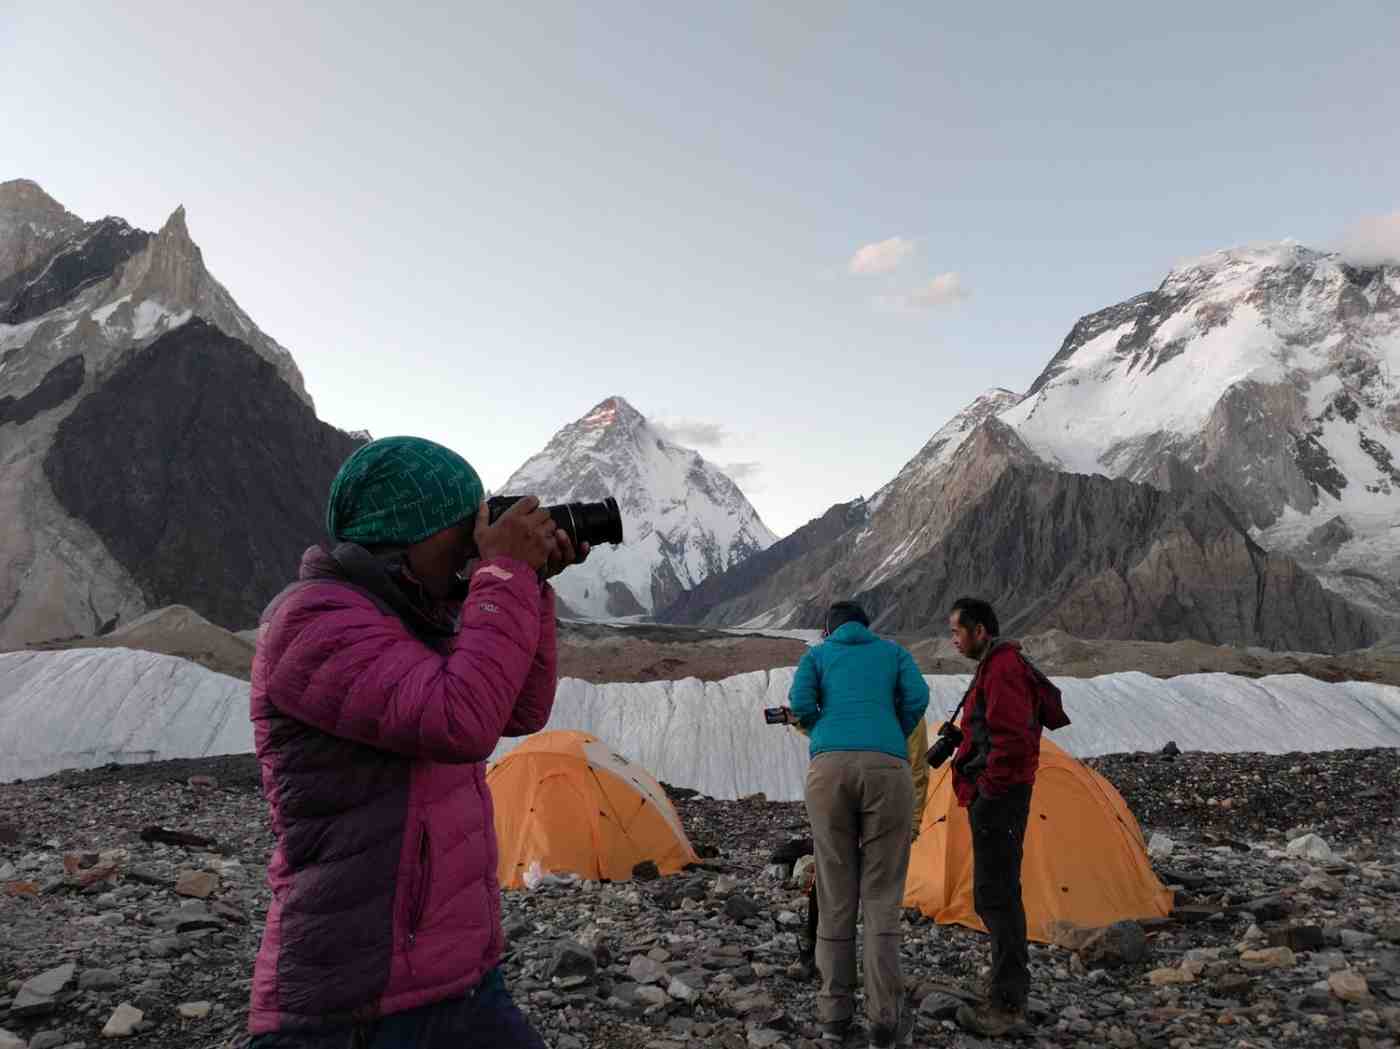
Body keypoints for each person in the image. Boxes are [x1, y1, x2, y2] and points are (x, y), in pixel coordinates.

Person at [245, 436, 586, 1049]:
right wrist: (502, 571)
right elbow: (462, 721)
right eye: (463, 528)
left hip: (458, 976)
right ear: (406, 532)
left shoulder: (412, 616)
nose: (473, 543)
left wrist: (528, 584)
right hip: (354, 998)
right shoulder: (314, 623)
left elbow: (520, 709)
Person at [789, 601, 930, 1048]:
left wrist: (824, 728)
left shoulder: (817, 655)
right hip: (888, 769)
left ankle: (834, 1018)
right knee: (882, 896)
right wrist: (888, 729)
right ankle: (884, 1022)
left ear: (829, 630)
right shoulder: (893, 653)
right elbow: (917, 699)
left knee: (834, 894)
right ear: (866, 627)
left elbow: (798, 704)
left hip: (829, 770)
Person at [946, 596, 1068, 1039]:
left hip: (1000, 799)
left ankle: (1007, 1002)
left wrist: (987, 789)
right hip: (999, 797)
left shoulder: (1002, 670)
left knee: (996, 896)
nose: (953, 640)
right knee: (996, 893)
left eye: (958, 631)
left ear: (980, 631)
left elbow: (1012, 738)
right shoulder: (998, 667)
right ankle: (1007, 988)